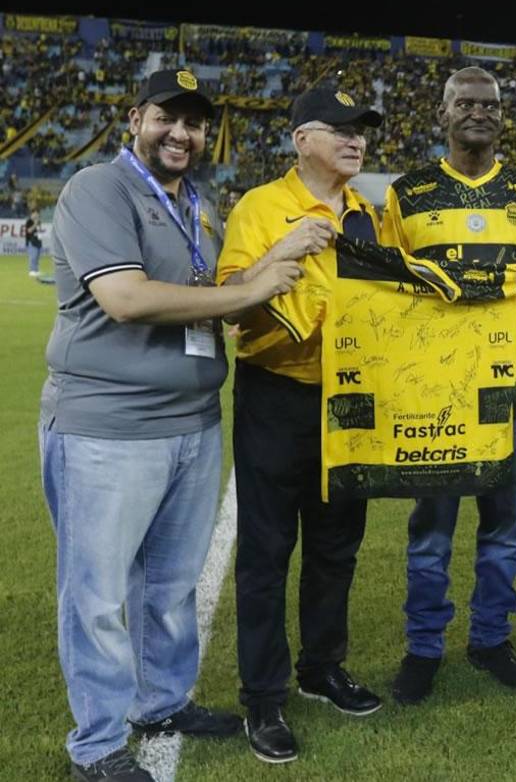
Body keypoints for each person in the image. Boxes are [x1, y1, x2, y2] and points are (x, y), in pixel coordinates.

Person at [40, 69, 302, 782]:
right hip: (108, 427)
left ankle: (159, 703)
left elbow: (213, 296)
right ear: (135, 120)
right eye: (167, 118)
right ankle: (97, 745)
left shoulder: (201, 207)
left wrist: (275, 262)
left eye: (194, 123)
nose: (181, 134)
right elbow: (126, 298)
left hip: (192, 423)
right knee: (96, 596)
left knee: (172, 582)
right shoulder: (98, 189)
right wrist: (252, 287)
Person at [380, 66, 516, 705]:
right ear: (443, 114)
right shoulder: (407, 194)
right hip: (436, 394)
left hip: (509, 392)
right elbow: (386, 291)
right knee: (431, 529)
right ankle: (423, 647)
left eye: (490, 105)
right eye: (465, 104)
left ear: (502, 116)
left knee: (502, 526)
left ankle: (491, 639)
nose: (478, 113)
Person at [217, 86, 385, 763]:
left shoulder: (370, 216)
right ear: (301, 140)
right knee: (266, 551)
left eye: (361, 130)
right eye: (341, 128)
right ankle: (263, 696)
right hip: (277, 395)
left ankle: (322, 667)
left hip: (351, 398)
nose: (356, 139)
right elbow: (229, 304)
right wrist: (282, 250)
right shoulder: (261, 207)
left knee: (337, 545)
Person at [24, 207, 42, 276]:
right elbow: (29, 231)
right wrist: (35, 224)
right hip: (31, 241)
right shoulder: (29, 221)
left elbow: (39, 231)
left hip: (38, 241)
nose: (37, 215)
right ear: (32, 214)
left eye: (38, 214)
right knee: (33, 257)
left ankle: (36, 270)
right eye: (35, 213)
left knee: (37, 257)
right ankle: (32, 270)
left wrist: (38, 225)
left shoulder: (39, 222)